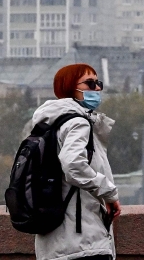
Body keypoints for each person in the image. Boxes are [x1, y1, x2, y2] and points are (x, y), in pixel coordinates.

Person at [29, 63, 121, 260]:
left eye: (98, 83)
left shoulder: (48, 125)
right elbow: (73, 166)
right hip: (83, 243)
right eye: (89, 83)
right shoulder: (77, 123)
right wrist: (109, 194)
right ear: (69, 86)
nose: (97, 88)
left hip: (53, 243)